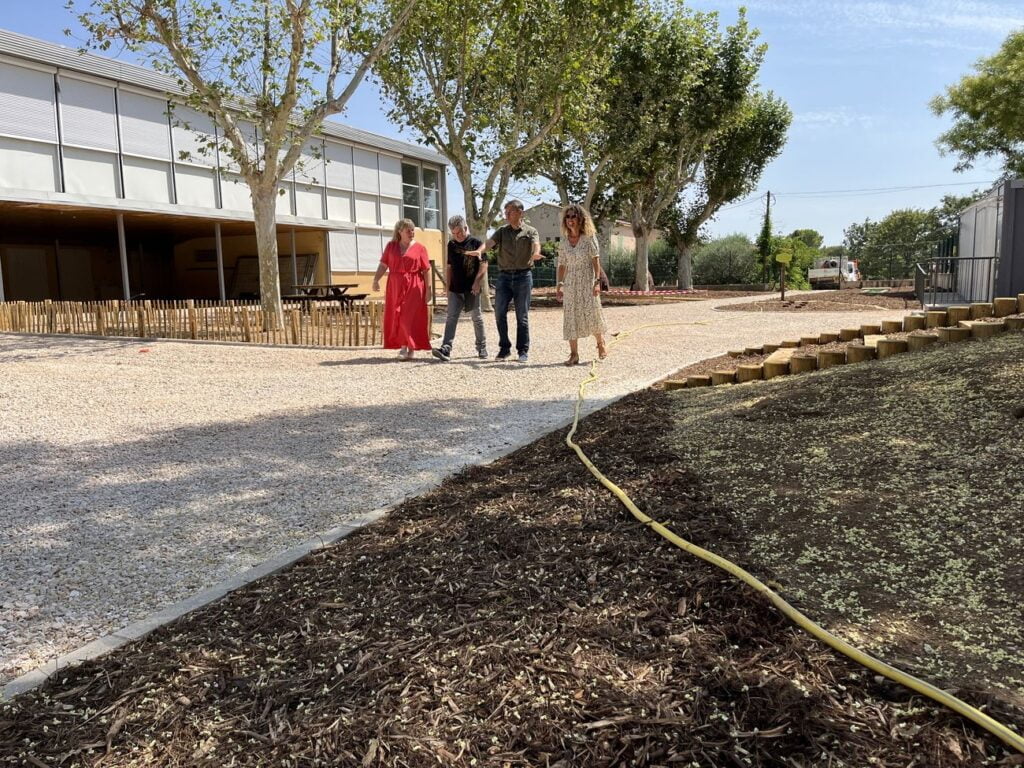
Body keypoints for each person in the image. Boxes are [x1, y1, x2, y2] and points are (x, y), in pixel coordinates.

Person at [466, 200, 541, 362]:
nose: (506, 215)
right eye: (505, 212)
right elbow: (489, 243)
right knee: (499, 313)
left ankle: (522, 350)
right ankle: (504, 349)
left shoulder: (530, 231)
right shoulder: (501, 231)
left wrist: (536, 254)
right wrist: (479, 251)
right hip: (504, 278)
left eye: (509, 212)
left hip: (523, 277)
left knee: (522, 316)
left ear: (520, 213)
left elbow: (536, 244)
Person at [556, 204, 608, 365]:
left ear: (580, 219)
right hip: (571, 282)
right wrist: (559, 284)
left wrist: (597, 282)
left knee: (592, 312)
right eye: (568, 217)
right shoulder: (564, 241)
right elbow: (562, 264)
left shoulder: (589, 238)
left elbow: (595, 259)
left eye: (573, 216)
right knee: (570, 316)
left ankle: (600, 343)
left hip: (587, 280)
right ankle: (574, 354)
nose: (570, 220)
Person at [372, 219, 431, 360]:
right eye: (408, 230)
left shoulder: (420, 248)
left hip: (415, 285)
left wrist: (428, 290)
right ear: (400, 232)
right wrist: (375, 280)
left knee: (409, 317)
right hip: (395, 285)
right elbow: (383, 265)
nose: (411, 232)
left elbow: (426, 270)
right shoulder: (391, 247)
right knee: (396, 316)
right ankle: (407, 347)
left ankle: (407, 347)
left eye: (412, 230)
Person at [432, 215, 488, 361]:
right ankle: (446, 348)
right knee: (451, 318)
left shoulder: (477, 243)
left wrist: (477, 282)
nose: (458, 236)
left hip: (472, 289)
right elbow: (449, 266)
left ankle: (482, 347)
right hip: (455, 289)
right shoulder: (451, 245)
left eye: (460, 232)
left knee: (477, 318)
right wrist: (448, 287)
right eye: (454, 233)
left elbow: (484, 264)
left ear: (465, 227)